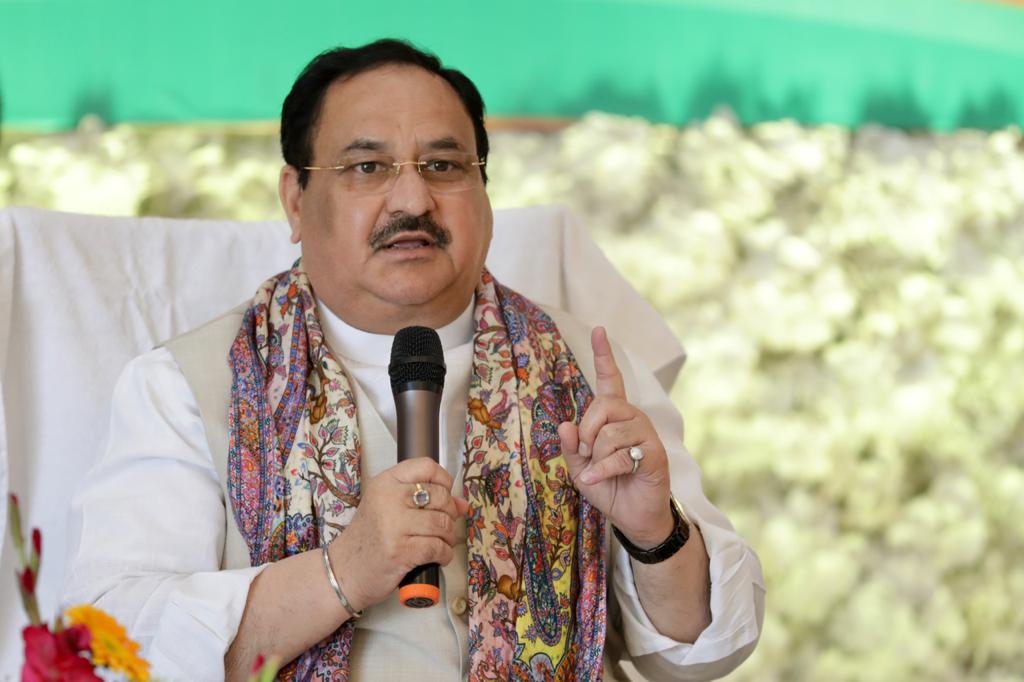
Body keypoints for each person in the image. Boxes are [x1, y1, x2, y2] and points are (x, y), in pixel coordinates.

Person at [63, 39, 764, 681]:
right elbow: (108, 645)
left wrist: (655, 534)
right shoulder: (187, 386)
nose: (412, 198)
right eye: (368, 167)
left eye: (444, 166)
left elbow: (703, 656)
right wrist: (344, 571)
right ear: (296, 199)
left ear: (484, 192)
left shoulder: (590, 370)